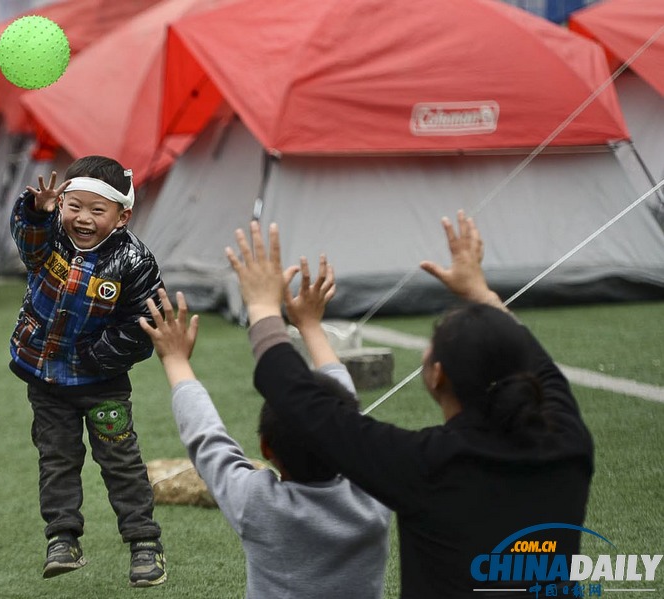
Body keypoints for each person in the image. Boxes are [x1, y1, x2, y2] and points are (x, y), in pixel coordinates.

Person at [225, 213, 594, 598]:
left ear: (437, 376)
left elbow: (306, 408)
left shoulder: (426, 466)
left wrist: (264, 307)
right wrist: (482, 294)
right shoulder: (568, 441)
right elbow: (537, 364)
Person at [138, 258, 391, 599]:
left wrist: (175, 359)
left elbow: (207, 436)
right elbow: (348, 420)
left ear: (266, 448)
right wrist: (311, 326)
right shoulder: (374, 493)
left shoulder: (259, 504)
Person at [8, 155, 166, 587]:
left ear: (122, 216)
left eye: (97, 210)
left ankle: (144, 544)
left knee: (120, 460)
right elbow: (27, 243)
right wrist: (34, 213)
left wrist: (96, 359)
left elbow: (145, 324)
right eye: (74, 206)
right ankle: (63, 538)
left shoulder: (135, 261)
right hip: (47, 381)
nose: (83, 218)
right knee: (57, 458)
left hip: (103, 385)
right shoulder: (50, 235)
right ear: (61, 204)